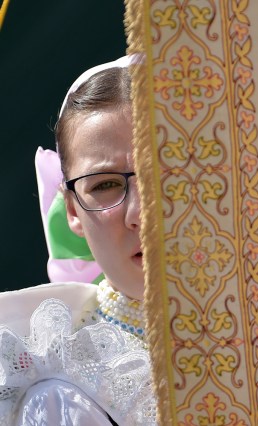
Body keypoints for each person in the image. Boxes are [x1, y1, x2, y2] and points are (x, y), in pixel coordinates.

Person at [0, 57, 156, 425]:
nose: (140, 213)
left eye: (164, 173)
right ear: (72, 210)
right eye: (104, 185)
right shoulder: (61, 391)